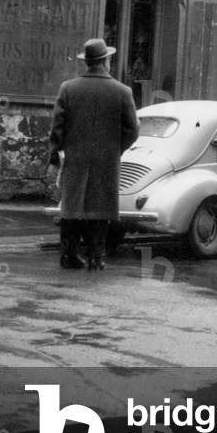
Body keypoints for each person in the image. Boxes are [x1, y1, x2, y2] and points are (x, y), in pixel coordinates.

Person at [48, 38, 140, 271]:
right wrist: (115, 148)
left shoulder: (68, 88)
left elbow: (57, 128)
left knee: (72, 208)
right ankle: (95, 257)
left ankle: (68, 255)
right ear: (106, 61)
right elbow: (133, 130)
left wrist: (55, 155)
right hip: (106, 160)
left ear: (87, 63)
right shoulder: (123, 91)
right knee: (101, 209)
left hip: (75, 158)